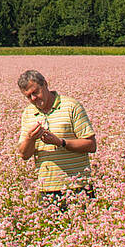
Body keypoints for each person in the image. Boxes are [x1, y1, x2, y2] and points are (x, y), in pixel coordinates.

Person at [14, 69, 94, 209]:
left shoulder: (71, 106)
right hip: (47, 189)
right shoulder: (28, 113)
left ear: (45, 84)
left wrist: (60, 142)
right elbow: (24, 154)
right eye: (28, 96)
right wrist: (30, 139)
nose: (33, 98)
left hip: (78, 186)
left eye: (35, 92)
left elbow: (91, 145)